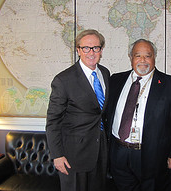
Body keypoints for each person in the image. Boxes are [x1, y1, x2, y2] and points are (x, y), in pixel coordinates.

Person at [106, 39, 171, 191]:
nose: (143, 60)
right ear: (130, 57)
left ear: (154, 57)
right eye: (138, 55)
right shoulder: (115, 80)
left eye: (148, 55)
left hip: (152, 154)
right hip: (118, 151)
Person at [46, 29, 110, 191]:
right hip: (73, 155)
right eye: (86, 48)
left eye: (95, 47)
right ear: (78, 50)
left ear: (101, 50)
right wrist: (57, 155)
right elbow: (53, 121)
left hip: (100, 151)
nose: (91, 52)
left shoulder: (105, 73)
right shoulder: (63, 80)